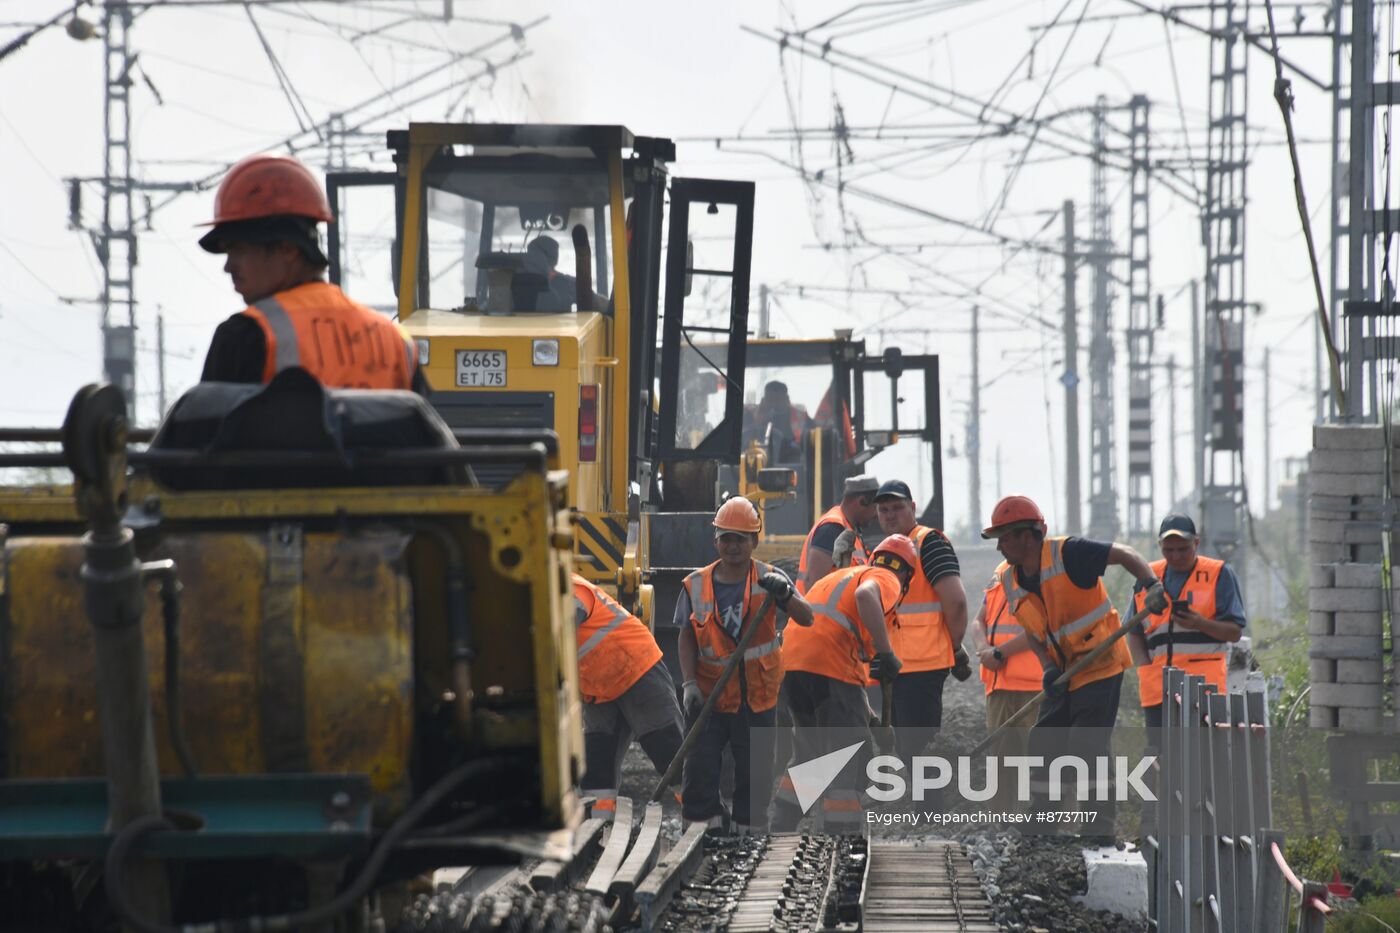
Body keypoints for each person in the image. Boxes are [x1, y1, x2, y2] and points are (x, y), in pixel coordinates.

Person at [981, 495, 1166, 833]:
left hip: (1100, 663)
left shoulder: (1070, 553)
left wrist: (1150, 584)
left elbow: (1126, 555)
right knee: (1043, 740)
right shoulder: (1010, 578)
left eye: (1005, 538)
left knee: (1085, 743)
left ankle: (1101, 825)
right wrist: (1047, 668)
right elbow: (1031, 628)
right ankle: (1043, 820)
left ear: (1027, 535)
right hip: (1063, 672)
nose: (1000, 548)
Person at [198, 153, 420, 391]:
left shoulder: (246, 336)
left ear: (288, 249)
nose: (228, 266)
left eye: (238, 250)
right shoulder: (397, 342)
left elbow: (202, 427)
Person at [675, 497, 814, 832]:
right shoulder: (696, 584)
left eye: (740, 538)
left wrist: (785, 595)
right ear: (716, 541)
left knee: (755, 774)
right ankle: (703, 833)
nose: (733, 545)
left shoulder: (770, 578)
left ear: (755, 541)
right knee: (700, 769)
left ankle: (748, 835)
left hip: (757, 697)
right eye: (726, 538)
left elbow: (807, 617)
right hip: (710, 696)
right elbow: (686, 636)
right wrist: (689, 683)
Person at [772, 534, 918, 832]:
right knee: (849, 753)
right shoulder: (885, 577)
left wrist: (875, 722)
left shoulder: (842, 575)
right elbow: (867, 596)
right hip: (828, 664)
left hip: (792, 664)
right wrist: (886, 653)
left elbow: (848, 694)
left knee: (810, 753)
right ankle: (841, 837)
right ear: (907, 574)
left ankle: (781, 826)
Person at [572, 573, 685, 821]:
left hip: (636, 670)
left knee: (670, 753)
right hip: (598, 690)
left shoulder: (571, 588)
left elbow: (560, 629)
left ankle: (710, 825)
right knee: (597, 767)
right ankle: (597, 830)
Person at [872, 479, 970, 760]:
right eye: (884, 510)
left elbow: (957, 602)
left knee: (923, 757)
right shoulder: (883, 552)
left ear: (913, 508)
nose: (890, 515)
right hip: (896, 667)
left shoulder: (929, 542)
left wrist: (952, 647)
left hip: (923, 666)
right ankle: (925, 804)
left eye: (897, 507)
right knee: (910, 756)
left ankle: (931, 806)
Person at [1128, 513, 1246, 729]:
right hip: (1157, 690)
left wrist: (1200, 623)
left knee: (1202, 757)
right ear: (1160, 546)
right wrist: (1145, 667)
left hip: (1204, 691)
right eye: (1168, 550)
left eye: (1183, 549)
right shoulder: (1147, 576)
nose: (1175, 556)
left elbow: (1234, 632)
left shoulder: (1219, 574)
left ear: (1197, 543)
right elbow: (1133, 631)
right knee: (1160, 757)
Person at [970, 570, 1043, 817]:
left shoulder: (1044, 574)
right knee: (1001, 759)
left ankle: (1054, 825)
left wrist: (999, 652)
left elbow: (1041, 628)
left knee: (1043, 760)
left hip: (1035, 686)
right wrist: (983, 650)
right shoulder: (1000, 574)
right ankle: (1000, 821)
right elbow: (979, 620)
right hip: (999, 684)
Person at [797, 474, 879, 594]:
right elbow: (812, 582)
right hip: (821, 613)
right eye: (875, 507)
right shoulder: (833, 528)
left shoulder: (849, 529)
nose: (876, 515)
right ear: (862, 501)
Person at [749, 381, 811, 462]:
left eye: (778, 400)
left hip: (792, 461)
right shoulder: (751, 415)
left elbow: (812, 442)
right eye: (770, 400)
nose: (774, 404)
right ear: (763, 400)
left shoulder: (801, 416)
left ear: (787, 399)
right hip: (756, 460)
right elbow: (744, 439)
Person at [522, 235, 580, 312]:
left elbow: (597, 302)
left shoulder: (510, 282)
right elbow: (598, 304)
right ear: (555, 260)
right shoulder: (568, 284)